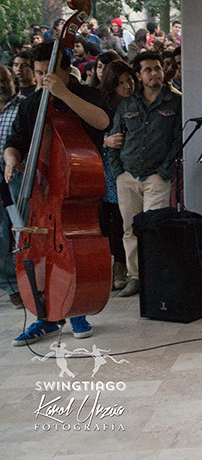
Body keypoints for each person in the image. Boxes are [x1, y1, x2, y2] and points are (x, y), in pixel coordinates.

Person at [5, 40, 110, 345]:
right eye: (37, 73)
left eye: (47, 72)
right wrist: (11, 158)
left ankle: (77, 308)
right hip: (42, 194)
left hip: (77, 190)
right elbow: (16, 141)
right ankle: (45, 316)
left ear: (65, 70)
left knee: (74, 250)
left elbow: (103, 121)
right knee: (40, 253)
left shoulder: (86, 95)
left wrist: (62, 93)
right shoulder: (30, 104)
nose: (40, 79)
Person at [109, 50, 182, 298]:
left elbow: (178, 141)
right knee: (129, 228)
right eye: (148, 70)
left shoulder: (175, 101)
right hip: (127, 173)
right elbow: (114, 138)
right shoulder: (127, 104)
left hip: (156, 175)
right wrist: (118, 171)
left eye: (157, 68)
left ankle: (154, 276)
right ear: (139, 75)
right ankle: (135, 277)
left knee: (153, 228)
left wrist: (165, 171)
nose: (154, 74)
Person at [97, 59, 135, 292]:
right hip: (108, 167)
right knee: (113, 217)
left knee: (128, 218)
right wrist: (105, 141)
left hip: (131, 164)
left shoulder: (137, 103)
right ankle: (117, 265)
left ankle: (128, 266)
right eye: (120, 83)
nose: (127, 86)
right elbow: (90, 133)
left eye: (129, 80)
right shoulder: (102, 106)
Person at [0, 65, 25, 307]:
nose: (0, 84)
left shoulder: (23, 106)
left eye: (4, 79)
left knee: (23, 228)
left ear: (13, 81)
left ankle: (32, 281)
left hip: (18, 176)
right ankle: (11, 286)